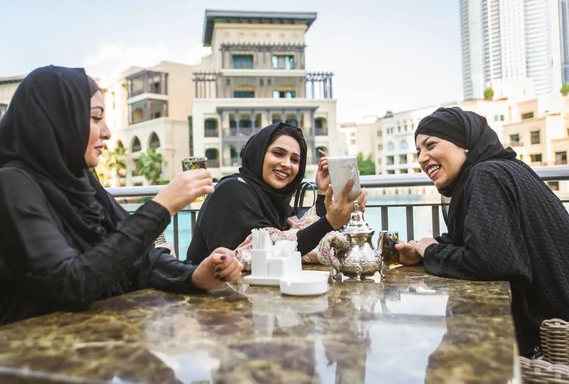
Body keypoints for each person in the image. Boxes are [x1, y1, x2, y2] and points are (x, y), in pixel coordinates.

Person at [0, 65, 242, 332]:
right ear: (58, 121)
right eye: (95, 117)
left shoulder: (83, 181)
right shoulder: (12, 185)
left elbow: (137, 259)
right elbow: (72, 284)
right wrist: (162, 206)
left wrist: (193, 276)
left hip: (93, 341)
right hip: (20, 355)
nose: (108, 132)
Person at [394, 106, 569, 357]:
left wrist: (432, 252)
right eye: (418, 151)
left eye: (430, 145)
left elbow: (492, 262)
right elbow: (489, 239)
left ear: (464, 144)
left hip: (549, 340)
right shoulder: (502, 169)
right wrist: (422, 252)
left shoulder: (487, 175)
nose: (421, 158)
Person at [186, 122, 366, 268]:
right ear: (259, 154)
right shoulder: (232, 191)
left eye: (295, 160)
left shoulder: (275, 201)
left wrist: (322, 193)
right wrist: (330, 222)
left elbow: (300, 236)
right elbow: (271, 249)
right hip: (211, 302)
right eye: (278, 154)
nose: (287, 164)